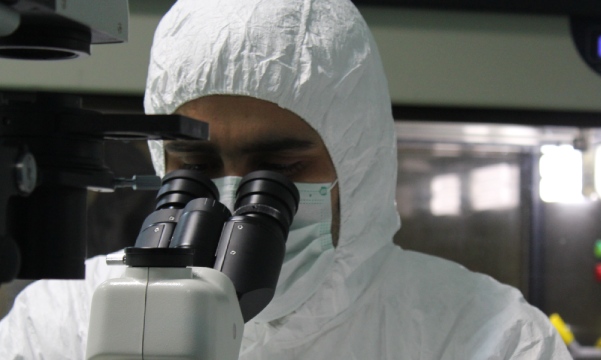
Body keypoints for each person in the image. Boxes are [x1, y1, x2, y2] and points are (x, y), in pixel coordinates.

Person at [0, 0, 571, 358]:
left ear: (360, 163)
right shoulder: (64, 321)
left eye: (280, 172)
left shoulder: (488, 338)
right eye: (194, 169)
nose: (229, 201)